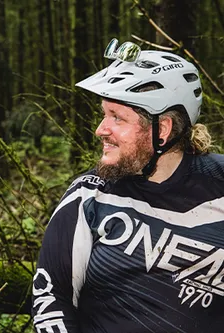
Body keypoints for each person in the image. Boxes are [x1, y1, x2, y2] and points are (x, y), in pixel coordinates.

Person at [32, 38, 224, 333]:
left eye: (117, 118)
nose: (100, 130)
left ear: (162, 129)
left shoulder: (219, 182)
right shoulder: (90, 194)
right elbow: (51, 299)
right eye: (103, 114)